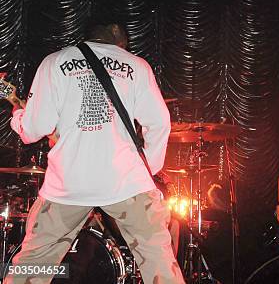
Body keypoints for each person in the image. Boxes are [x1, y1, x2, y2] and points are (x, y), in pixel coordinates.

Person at [6, 22, 184, 284]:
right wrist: (150, 169)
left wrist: (18, 115)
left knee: (33, 264)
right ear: (115, 34)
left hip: (69, 183)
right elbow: (159, 123)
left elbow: (34, 129)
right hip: (126, 180)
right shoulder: (136, 65)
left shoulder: (55, 62)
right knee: (159, 260)